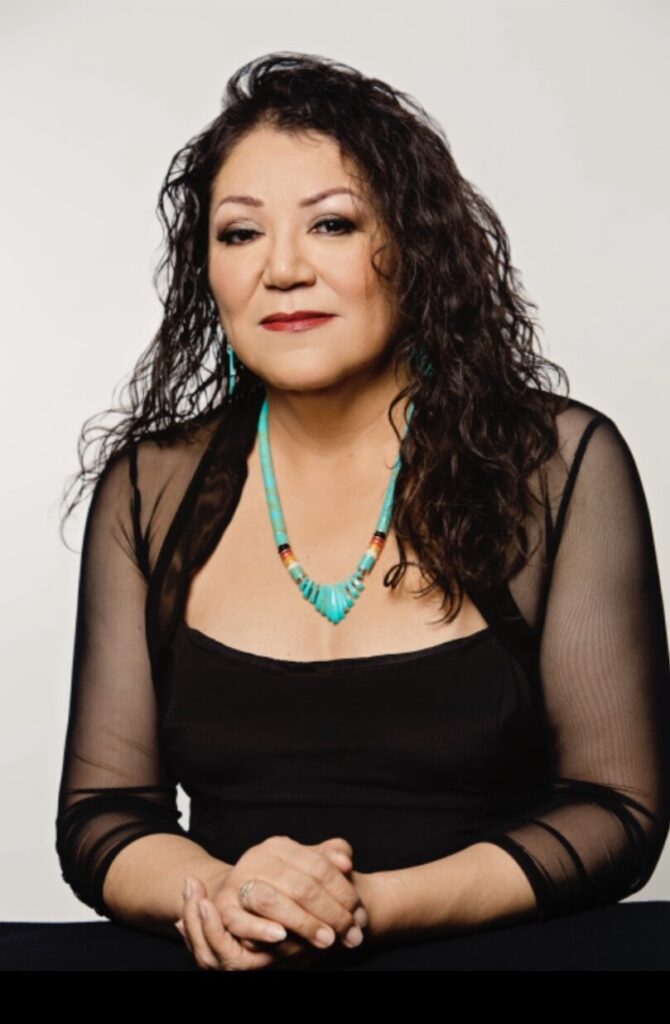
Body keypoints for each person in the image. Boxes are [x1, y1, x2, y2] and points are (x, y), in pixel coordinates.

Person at [49, 52, 669, 972]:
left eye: (332, 224)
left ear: (412, 248)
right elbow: (104, 813)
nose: (283, 269)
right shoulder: (150, 488)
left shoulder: (554, 465)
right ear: (207, 271)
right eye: (240, 233)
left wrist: (367, 908)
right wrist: (223, 895)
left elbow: (616, 808)